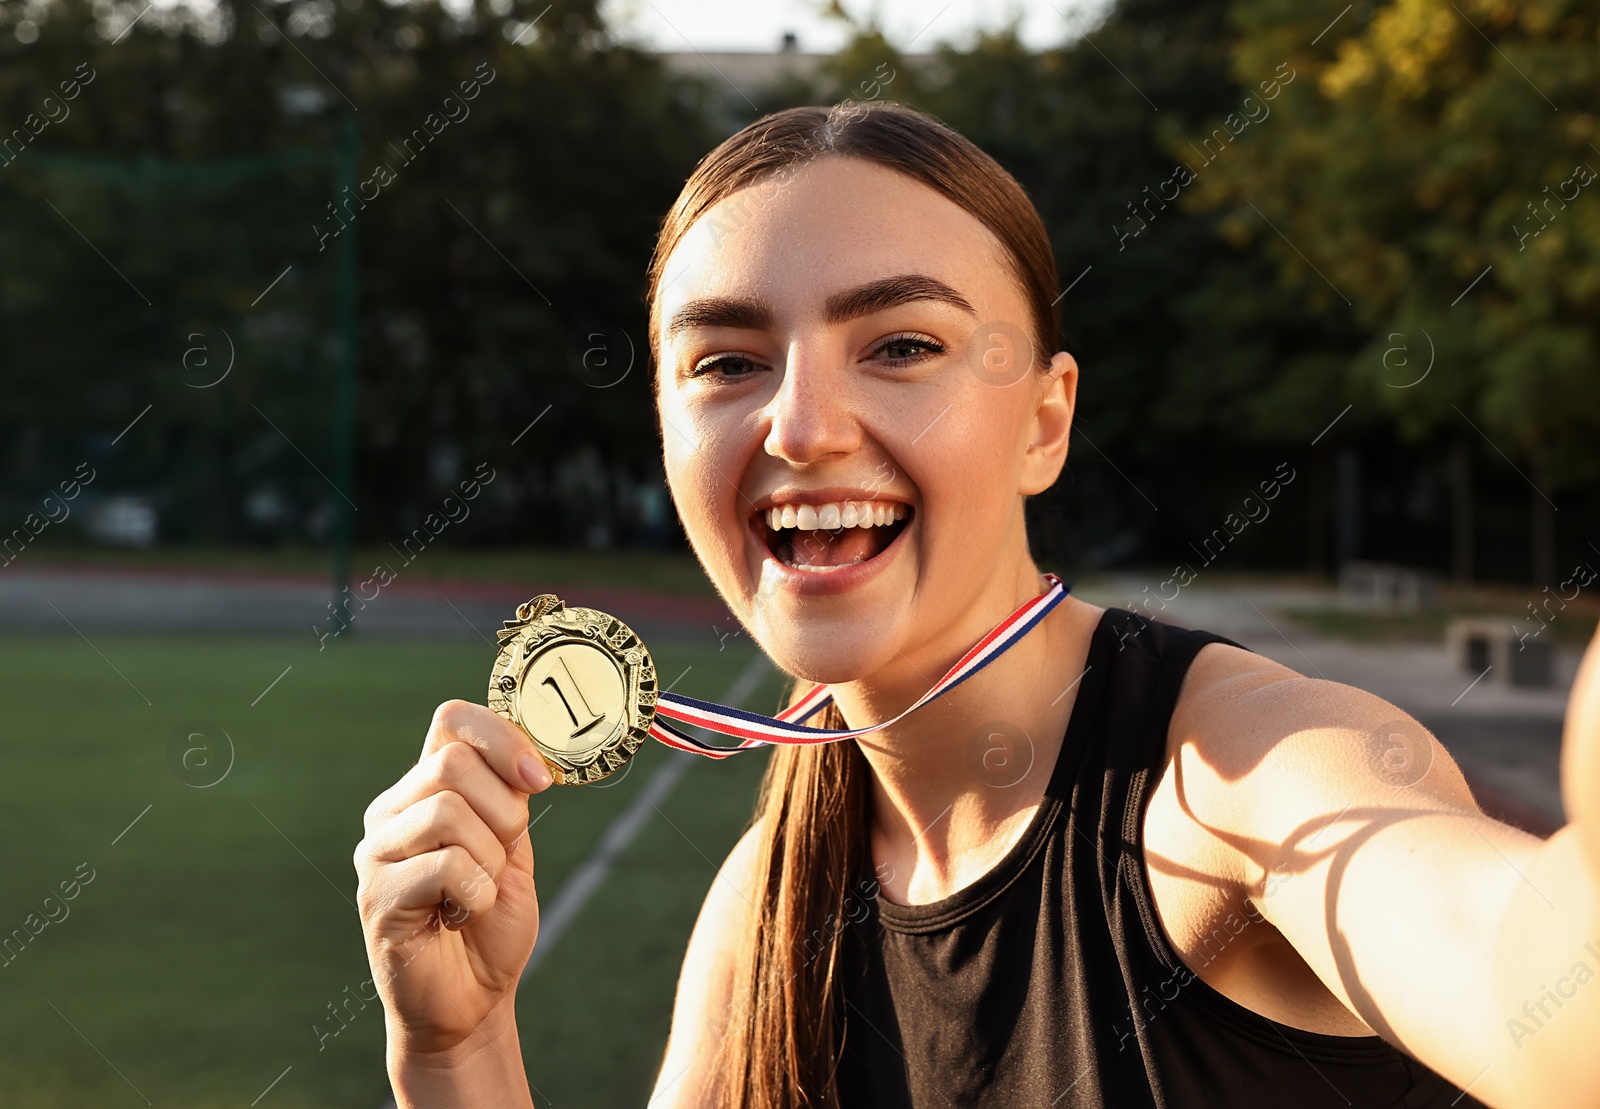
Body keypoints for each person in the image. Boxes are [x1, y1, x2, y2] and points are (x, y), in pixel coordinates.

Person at [353, 101, 1600, 1108]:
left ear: (1044, 421)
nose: (798, 425)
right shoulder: (775, 897)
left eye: (900, 345)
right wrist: (456, 1050)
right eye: (726, 361)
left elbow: (1547, 1003)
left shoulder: (1241, 778)